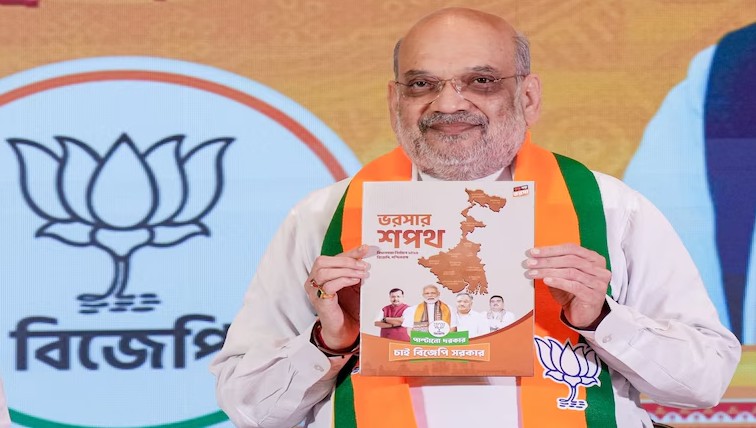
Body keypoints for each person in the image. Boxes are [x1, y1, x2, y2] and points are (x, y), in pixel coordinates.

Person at [211, 7, 741, 428]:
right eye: (422, 84)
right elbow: (248, 407)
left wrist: (601, 318)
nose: (449, 104)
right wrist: (328, 343)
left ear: (528, 97)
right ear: (394, 100)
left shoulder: (608, 209)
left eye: (481, 81)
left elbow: (704, 382)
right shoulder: (324, 216)